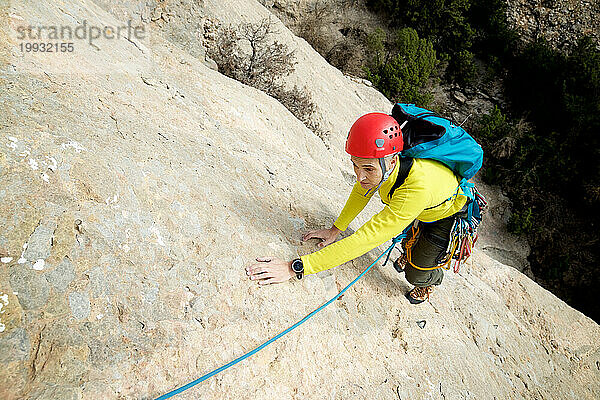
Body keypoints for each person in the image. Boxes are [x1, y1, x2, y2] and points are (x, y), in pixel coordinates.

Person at [245, 112, 469, 304]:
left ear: (391, 162)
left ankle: (430, 279)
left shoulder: (414, 190)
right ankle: (412, 245)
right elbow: (361, 191)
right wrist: (336, 229)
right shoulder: (386, 166)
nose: (360, 176)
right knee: (403, 226)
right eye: (355, 165)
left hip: (446, 215)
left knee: (414, 271)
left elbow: (365, 239)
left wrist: (295, 267)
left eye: (368, 169)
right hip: (421, 204)